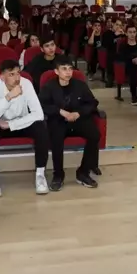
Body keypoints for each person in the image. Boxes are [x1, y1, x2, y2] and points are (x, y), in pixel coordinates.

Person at [0, 59, 49, 196]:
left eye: (18, 73)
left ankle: (40, 174)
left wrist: (11, 125)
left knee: (41, 127)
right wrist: (8, 97)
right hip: (1, 125)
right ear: (2, 77)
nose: (17, 78)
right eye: (11, 74)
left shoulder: (26, 84)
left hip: (22, 123)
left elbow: (39, 114)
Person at [39, 56, 101, 191]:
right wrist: (61, 112)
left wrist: (78, 113)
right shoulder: (49, 87)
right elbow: (42, 105)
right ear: (56, 71)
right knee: (56, 138)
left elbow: (92, 102)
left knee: (94, 135)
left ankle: (83, 172)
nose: (68, 72)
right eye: (64, 69)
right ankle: (58, 175)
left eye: (70, 69)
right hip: (59, 120)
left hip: (78, 119)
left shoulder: (80, 85)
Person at [117, 23, 137, 105]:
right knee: (133, 72)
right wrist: (132, 59)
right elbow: (121, 57)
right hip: (127, 64)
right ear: (126, 33)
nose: (132, 34)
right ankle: (134, 96)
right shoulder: (123, 44)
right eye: (130, 32)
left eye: (134, 32)